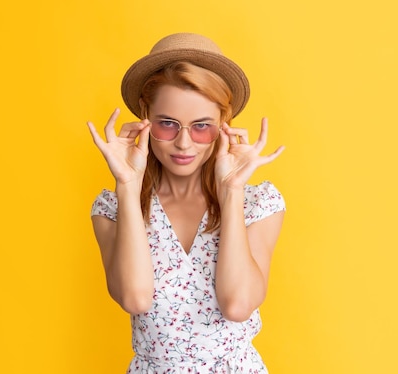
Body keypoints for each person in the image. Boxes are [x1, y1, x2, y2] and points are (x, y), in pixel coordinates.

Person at [88, 33, 286, 373]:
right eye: (167, 124)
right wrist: (127, 185)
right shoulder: (112, 209)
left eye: (201, 127)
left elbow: (237, 305)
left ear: (224, 125)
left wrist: (232, 190)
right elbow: (135, 299)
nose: (183, 143)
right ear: (146, 117)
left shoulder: (258, 203)